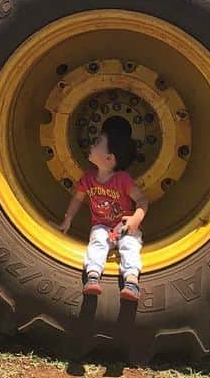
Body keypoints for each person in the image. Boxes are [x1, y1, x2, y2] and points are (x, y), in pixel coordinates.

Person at [55, 122, 149, 300]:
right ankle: (92, 277)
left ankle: (131, 281)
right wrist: (67, 219)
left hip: (123, 226)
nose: (92, 144)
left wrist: (136, 218)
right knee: (97, 242)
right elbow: (77, 198)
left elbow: (142, 199)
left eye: (97, 142)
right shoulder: (88, 178)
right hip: (102, 226)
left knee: (130, 246)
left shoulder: (122, 179)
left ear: (109, 158)